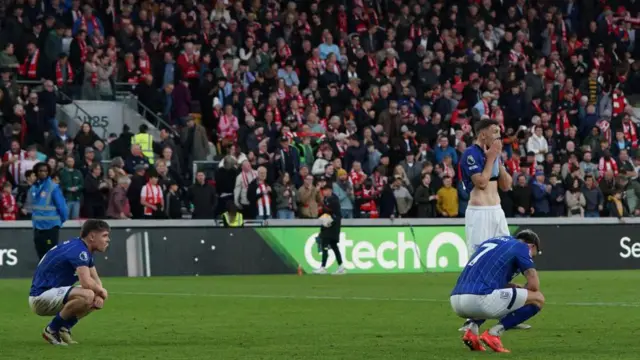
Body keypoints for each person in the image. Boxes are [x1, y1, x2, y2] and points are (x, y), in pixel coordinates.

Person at [458, 119, 522, 330]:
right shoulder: (470, 154)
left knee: (507, 258)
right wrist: (491, 157)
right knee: (479, 261)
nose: (498, 135)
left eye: (499, 131)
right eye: (494, 131)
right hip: (479, 213)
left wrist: (498, 161)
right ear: (482, 134)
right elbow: (481, 182)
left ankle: (505, 312)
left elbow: (507, 185)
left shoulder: (493, 156)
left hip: (497, 211)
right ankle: (472, 320)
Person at [450, 230, 544, 353]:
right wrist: (522, 291)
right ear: (532, 246)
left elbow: (487, 278)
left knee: (495, 293)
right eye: (534, 254)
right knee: (538, 298)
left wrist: (512, 287)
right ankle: (494, 333)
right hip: (479, 300)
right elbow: (534, 285)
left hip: (455, 300)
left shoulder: (491, 242)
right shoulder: (522, 247)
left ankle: (471, 332)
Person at [28, 219, 110, 346]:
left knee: (93, 295)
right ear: (92, 236)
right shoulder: (79, 251)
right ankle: (51, 329)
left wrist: (99, 293)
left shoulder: (82, 248)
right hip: (40, 296)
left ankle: (63, 328)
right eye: (104, 235)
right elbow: (87, 283)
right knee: (88, 294)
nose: (108, 240)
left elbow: (95, 278)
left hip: (53, 293)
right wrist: (102, 292)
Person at [29, 162, 68, 259]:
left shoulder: (53, 187)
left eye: (45, 171)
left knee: (51, 255)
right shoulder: (34, 188)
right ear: (36, 172)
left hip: (51, 226)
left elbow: (62, 206)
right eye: (40, 171)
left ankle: (53, 274)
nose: (43, 173)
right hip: (38, 227)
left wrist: (60, 221)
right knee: (40, 254)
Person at [312, 183, 345, 275]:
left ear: (330, 190)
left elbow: (338, 215)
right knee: (334, 246)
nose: (324, 192)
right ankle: (341, 266)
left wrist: (331, 221)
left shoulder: (334, 200)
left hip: (331, 226)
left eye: (325, 190)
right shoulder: (327, 199)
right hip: (328, 225)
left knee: (325, 245)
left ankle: (323, 267)